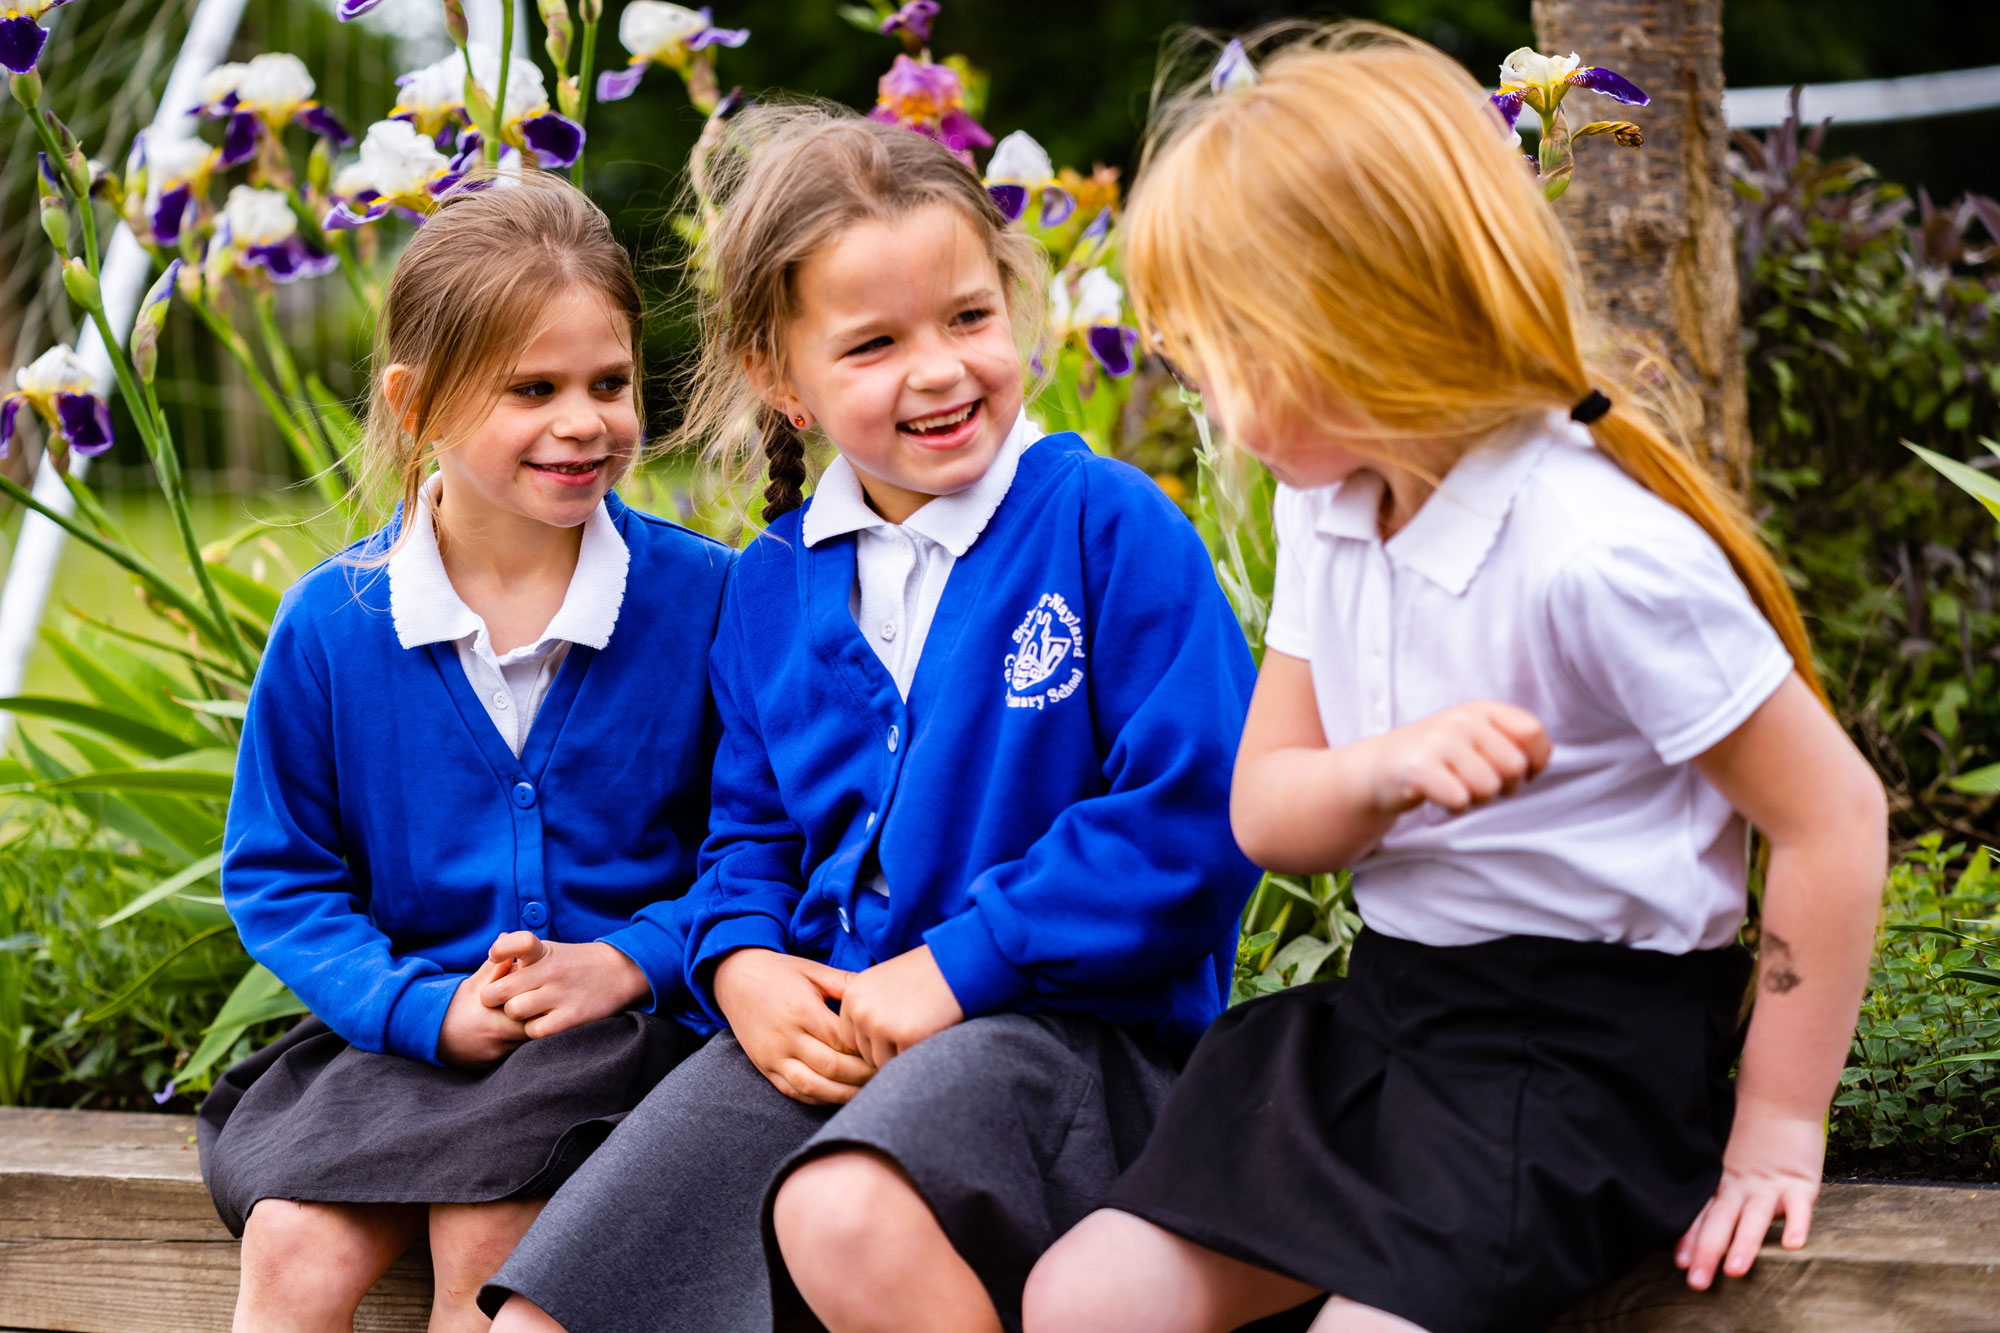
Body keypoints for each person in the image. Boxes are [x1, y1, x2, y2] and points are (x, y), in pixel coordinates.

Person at [1023, 25, 1888, 1333]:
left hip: (1581, 1067)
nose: (1213, 387)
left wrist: (1774, 1121)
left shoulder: (1596, 553)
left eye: (1234, 346)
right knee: (1085, 1296)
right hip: (1394, 1022)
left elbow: (1832, 817)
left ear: (1384, 314)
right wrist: (1383, 773)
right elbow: (1269, 814)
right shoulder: (1335, 505)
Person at [482, 105, 1262, 1333]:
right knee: (534, 1317)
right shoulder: (770, 588)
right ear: (777, 379)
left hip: (1076, 1048)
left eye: (966, 317)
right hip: (833, 1042)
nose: (940, 368)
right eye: (873, 344)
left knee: (843, 1217)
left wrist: (951, 969)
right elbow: (745, 839)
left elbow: (1194, 820)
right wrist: (738, 967)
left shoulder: (1106, 525)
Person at [197, 173, 732, 1333]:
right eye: (532, 389)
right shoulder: (334, 626)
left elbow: (755, 851)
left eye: (609, 382)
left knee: (488, 1233)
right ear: (420, 399)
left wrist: (628, 959)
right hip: (407, 1034)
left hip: (618, 1039)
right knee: (291, 1243)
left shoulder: (701, 601)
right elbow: (281, 878)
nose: (583, 420)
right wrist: (418, 1008)